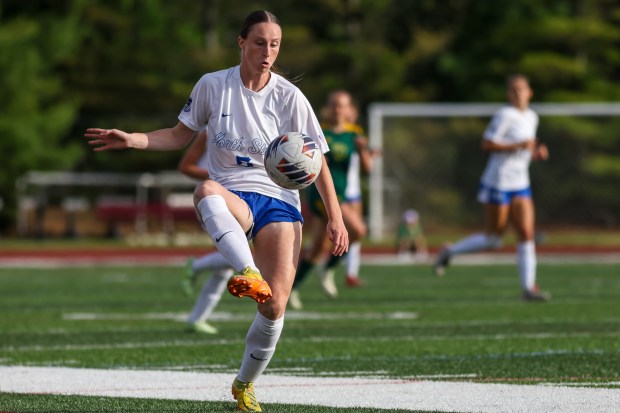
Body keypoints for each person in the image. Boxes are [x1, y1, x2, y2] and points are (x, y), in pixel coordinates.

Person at [85, 10, 349, 412]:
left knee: (275, 305)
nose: (267, 52)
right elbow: (178, 135)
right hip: (235, 198)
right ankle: (247, 271)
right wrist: (134, 140)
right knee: (206, 187)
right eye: (259, 42)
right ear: (241, 43)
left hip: (280, 202)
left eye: (275, 44)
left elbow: (318, 160)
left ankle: (244, 385)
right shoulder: (213, 85)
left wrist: (336, 216)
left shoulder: (289, 96)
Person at [432, 74, 550, 302]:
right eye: (513, 90)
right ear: (508, 94)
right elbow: (487, 143)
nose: (518, 93)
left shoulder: (532, 117)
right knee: (493, 239)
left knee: (526, 234)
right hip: (499, 182)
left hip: (521, 182)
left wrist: (536, 154)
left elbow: (523, 152)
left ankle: (528, 288)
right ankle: (450, 251)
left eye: (522, 89)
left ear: (530, 92)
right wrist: (519, 145)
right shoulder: (505, 114)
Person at [289, 90, 373, 310]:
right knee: (358, 230)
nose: (338, 109)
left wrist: (364, 152)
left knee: (316, 248)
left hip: (342, 194)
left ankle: (293, 287)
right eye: (334, 105)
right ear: (328, 108)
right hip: (323, 194)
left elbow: (368, 169)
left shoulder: (355, 133)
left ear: (348, 110)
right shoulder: (320, 131)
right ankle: (329, 267)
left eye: (342, 105)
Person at [178, 129, 233, 335]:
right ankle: (197, 265)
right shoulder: (210, 130)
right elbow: (186, 166)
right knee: (239, 255)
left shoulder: (251, 125)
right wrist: (217, 174)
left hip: (237, 200)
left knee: (226, 264)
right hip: (213, 201)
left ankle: (197, 319)